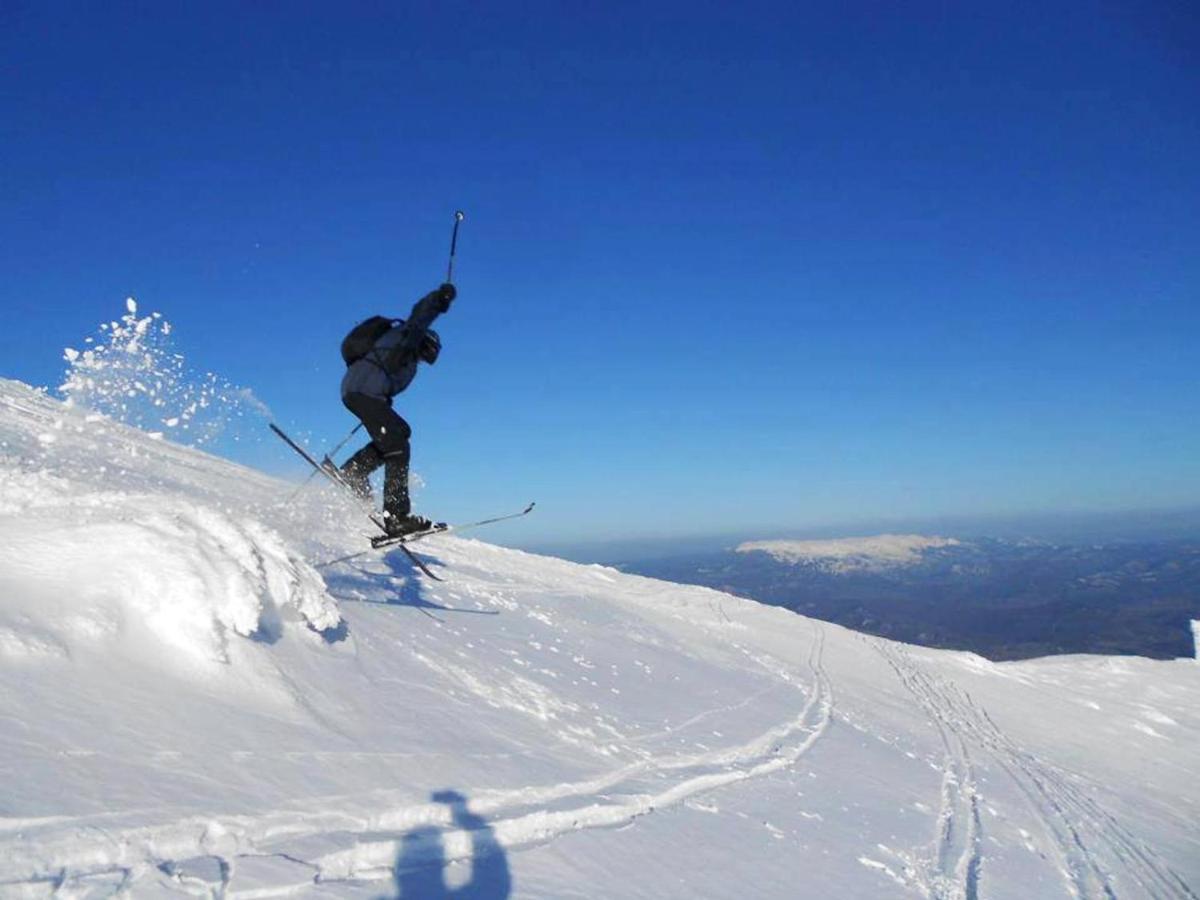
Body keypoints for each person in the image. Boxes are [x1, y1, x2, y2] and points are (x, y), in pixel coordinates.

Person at [337, 282, 456, 538]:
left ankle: (355, 470)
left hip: (362, 392)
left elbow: (385, 376)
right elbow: (420, 315)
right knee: (398, 446)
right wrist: (440, 299)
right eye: (430, 352)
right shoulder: (408, 337)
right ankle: (397, 517)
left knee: (401, 432)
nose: (427, 358)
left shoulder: (405, 355)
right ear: (426, 343)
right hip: (362, 392)